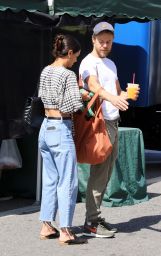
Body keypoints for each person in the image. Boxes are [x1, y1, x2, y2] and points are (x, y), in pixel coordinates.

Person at [79, 21, 139, 238]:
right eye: (101, 41)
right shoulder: (87, 62)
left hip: (113, 122)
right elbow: (93, 86)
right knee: (99, 173)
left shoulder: (111, 64)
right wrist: (114, 97)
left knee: (105, 174)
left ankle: (94, 217)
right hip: (99, 124)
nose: (105, 45)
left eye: (109, 42)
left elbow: (117, 92)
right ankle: (91, 222)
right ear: (93, 40)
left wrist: (126, 95)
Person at [38, 34, 87, 245]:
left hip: (45, 127)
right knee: (67, 181)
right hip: (60, 127)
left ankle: (47, 225)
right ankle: (66, 230)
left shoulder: (45, 70)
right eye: (75, 56)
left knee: (50, 179)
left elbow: (42, 96)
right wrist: (82, 96)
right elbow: (71, 107)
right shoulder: (67, 75)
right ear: (68, 53)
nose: (76, 60)